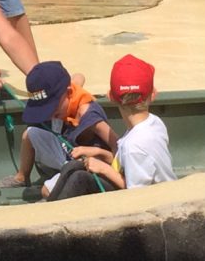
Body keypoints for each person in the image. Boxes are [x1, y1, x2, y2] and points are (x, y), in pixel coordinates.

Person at [45, 54, 177, 201]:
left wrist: (104, 169)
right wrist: (98, 152)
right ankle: (51, 206)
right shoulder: (154, 123)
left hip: (156, 200)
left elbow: (137, 195)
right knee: (73, 166)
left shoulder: (134, 146)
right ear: (153, 94)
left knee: (80, 179)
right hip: (158, 190)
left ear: (111, 96)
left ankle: (54, 210)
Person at [0, 61, 118, 197]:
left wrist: (97, 152)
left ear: (69, 93)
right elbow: (78, 77)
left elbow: (118, 148)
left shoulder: (89, 116)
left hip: (86, 165)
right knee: (29, 134)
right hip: (67, 153)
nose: (50, 115)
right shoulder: (69, 94)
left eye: (52, 108)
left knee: (47, 190)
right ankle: (22, 177)